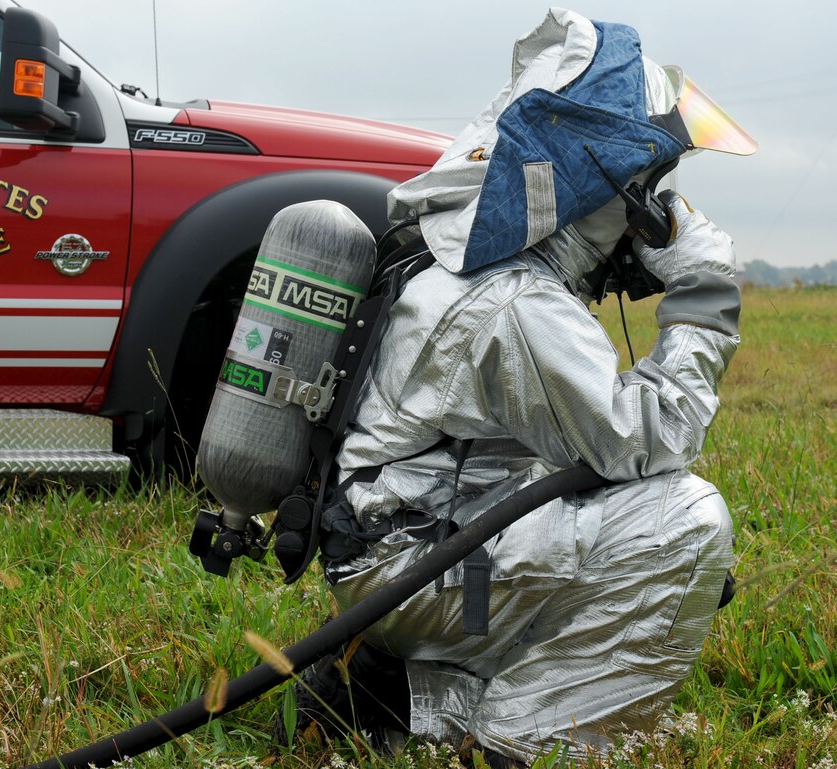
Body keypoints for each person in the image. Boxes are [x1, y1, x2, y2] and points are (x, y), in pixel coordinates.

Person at [278, 9, 754, 768]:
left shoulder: (468, 269)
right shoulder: (514, 302)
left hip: (404, 553)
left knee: (617, 516)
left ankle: (385, 693)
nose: (659, 215)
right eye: (651, 189)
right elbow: (652, 437)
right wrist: (703, 287)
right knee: (687, 524)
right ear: (601, 188)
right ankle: (525, 738)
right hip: (422, 574)